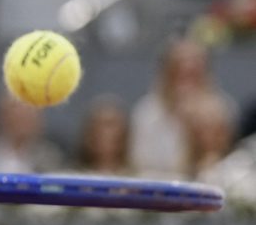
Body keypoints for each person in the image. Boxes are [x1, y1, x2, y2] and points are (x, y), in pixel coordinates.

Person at [128, 38, 233, 178]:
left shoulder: (220, 109)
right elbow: (140, 165)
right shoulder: (146, 113)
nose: (185, 84)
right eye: (179, 72)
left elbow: (226, 162)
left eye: (193, 73)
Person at [0, 93, 65, 174]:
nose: (23, 118)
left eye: (29, 113)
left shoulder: (50, 159)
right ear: (2, 116)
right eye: (17, 111)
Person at [77, 95, 131, 175]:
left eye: (110, 124)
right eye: (98, 125)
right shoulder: (71, 176)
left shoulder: (139, 178)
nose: (105, 133)